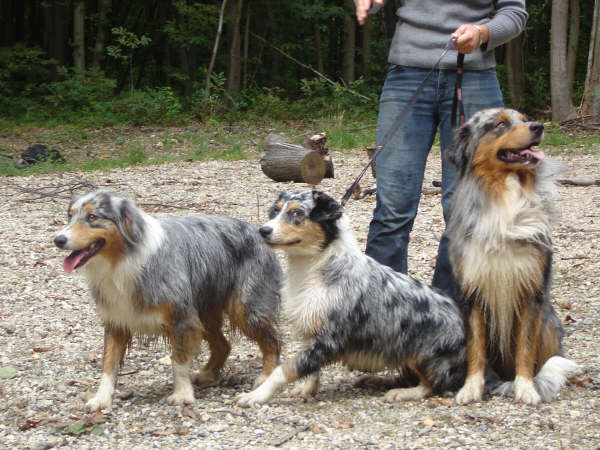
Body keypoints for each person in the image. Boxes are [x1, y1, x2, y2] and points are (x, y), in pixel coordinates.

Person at [355, 0, 528, 296]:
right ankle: (381, 308)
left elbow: (515, 12)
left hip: (475, 76)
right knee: (393, 206)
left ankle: (452, 309)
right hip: (406, 73)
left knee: (467, 208)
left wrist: (482, 33)